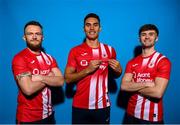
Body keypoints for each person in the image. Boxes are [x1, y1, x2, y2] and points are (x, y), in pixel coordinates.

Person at [65, 13, 122, 124]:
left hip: (102, 106)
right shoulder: (75, 51)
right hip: (80, 106)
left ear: (100, 28)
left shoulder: (110, 50)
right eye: (88, 25)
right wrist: (87, 70)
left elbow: (115, 74)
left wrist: (119, 70)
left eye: (95, 25)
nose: (92, 28)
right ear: (84, 29)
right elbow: (67, 78)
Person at [12, 21, 64, 124]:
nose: (34, 37)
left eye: (38, 34)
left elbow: (61, 81)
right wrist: (49, 77)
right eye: (30, 34)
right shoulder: (20, 58)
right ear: (24, 37)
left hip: (49, 115)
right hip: (28, 118)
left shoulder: (50, 58)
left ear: (42, 37)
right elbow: (28, 89)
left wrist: (40, 77)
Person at [121, 24, 171, 124]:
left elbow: (157, 93)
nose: (147, 37)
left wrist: (133, 86)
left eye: (151, 34)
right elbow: (124, 86)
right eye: (143, 34)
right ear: (139, 38)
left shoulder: (163, 61)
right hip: (130, 113)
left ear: (156, 38)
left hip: (152, 117)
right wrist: (147, 83)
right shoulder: (131, 62)